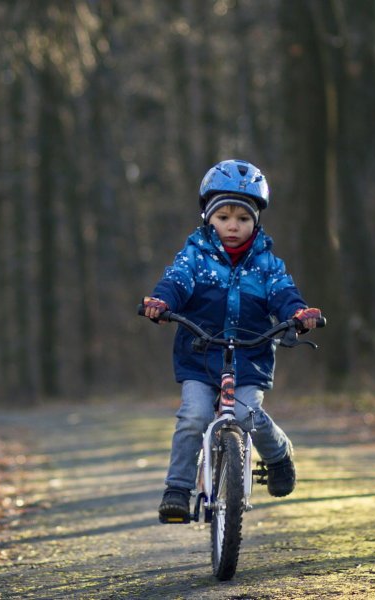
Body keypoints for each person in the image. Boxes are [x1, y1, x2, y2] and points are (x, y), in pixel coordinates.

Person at [142, 159, 322, 521]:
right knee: (193, 416)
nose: (233, 226)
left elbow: (283, 293)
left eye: (242, 218)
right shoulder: (194, 256)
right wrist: (162, 301)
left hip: (249, 354)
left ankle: (278, 455)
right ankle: (177, 488)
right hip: (201, 354)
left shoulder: (266, 264)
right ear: (209, 218)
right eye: (223, 217)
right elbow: (177, 281)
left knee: (246, 415)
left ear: (255, 221)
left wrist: (299, 313)